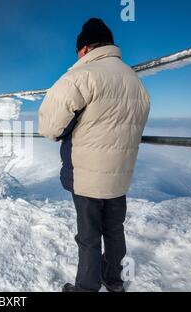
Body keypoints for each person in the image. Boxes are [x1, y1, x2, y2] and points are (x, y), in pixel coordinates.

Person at [38, 18, 150, 292]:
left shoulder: (80, 75)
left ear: (85, 49)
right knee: (114, 229)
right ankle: (113, 280)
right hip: (120, 173)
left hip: (87, 173)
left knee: (89, 235)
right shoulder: (135, 81)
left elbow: (50, 127)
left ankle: (86, 288)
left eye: (78, 51)